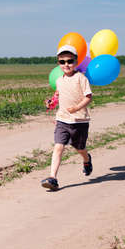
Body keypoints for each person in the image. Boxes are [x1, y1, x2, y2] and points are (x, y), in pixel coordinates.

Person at [41, 45, 93, 191]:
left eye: (69, 61)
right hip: (62, 120)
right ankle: (53, 178)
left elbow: (88, 97)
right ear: (58, 63)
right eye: (62, 62)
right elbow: (57, 96)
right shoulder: (59, 80)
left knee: (79, 148)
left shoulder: (80, 78)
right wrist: (51, 103)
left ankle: (86, 159)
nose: (66, 65)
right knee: (58, 147)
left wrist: (77, 108)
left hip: (79, 121)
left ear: (76, 62)